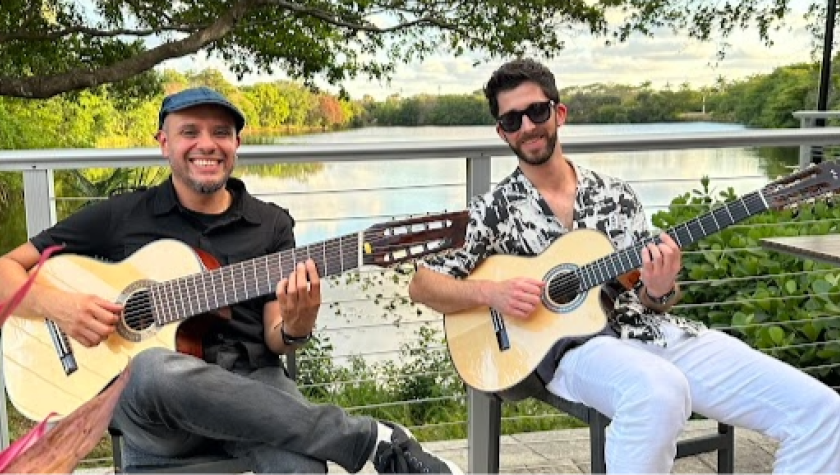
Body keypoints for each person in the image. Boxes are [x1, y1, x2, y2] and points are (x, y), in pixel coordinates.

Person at [0, 86, 463, 475]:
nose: (207, 144)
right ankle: (370, 440)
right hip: (157, 412)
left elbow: (276, 336)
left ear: (236, 144)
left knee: (301, 468)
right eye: (190, 132)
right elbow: (7, 268)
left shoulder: (271, 225)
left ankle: (365, 443)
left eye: (221, 132)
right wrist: (57, 305)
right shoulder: (124, 214)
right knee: (151, 368)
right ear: (164, 142)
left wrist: (298, 325)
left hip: (253, 382)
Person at [407, 58, 840, 475]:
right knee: (659, 391)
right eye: (511, 120)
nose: (527, 127)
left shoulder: (616, 194)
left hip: (653, 333)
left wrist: (661, 287)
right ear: (501, 133)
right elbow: (423, 284)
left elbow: (652, 300)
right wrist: (491, 293)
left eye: (536, 112)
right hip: (571, 351)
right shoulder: (492, 210)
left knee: (823, 412)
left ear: (559, 113)